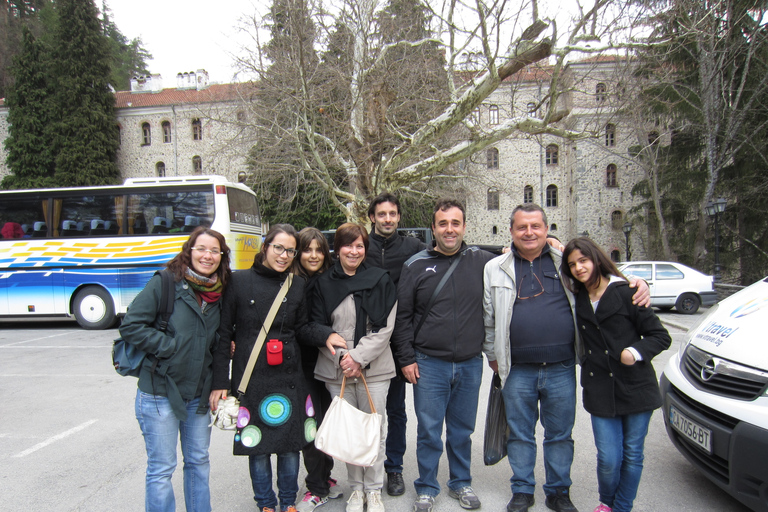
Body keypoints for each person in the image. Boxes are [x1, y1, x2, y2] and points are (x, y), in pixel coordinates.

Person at [482, 204, 650, 512]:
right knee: (519, 433)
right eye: (522, 227)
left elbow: (603, 279)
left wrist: (637, 282)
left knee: (559, 435)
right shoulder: (495, 267)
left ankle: (558, 491)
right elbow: (489, 317)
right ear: (511, 231)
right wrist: (493, 356)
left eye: (535, 226)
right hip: (517, 369)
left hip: (561, 367)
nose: (529, 232)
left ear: (547, 229)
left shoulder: (566, 263)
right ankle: (522, 489)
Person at [391, 199, 496, 512]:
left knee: (462, 430)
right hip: (428, 363)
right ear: (433, 228)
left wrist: (554, 242)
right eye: (443, 224)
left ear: (464, 226)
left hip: (469, 362)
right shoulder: (415, 265)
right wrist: (406, 358)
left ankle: (461, 483)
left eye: (455, 223)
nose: (450, 229)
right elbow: (403, 317)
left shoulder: (483, 261)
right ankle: (426, 487)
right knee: (429, 431)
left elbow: (521, 251)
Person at [120, 226, 231, 512]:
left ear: (222, 256)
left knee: (198, 462)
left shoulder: (220, 292)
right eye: (202, 249)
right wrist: (169, 346)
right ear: (189, 251)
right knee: (161, 468)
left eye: (215, 251)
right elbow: (131, 325)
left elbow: (218, 340)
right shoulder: (166, 283)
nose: (208, 256)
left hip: (198, 394)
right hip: (159, 392)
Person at [210, 224, 313, 512]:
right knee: (258, 446)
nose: (284, 255)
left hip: (289, 377)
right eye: (278, 247)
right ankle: (266, 504)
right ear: (265, 246)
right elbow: (223, 335)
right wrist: (220, 381)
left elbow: (302, 328)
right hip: (250, 377)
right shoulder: (238, 281)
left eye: (290, 250)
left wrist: (327, 335)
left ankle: (288, 503)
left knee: (291, 444)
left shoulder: (298, 285)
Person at [562, 238, 670, 512]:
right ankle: (606, 503)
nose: (578, 267)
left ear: (597, 259)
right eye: (573, 264)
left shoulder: (626, 292)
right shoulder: (578, 297)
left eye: (583, 260)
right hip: (599, 388)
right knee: (609, 458)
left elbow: (660, 336)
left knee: (632, 455)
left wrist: (635, 351)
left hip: (636, 386)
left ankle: (620, 508)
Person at [311, 223, 398, 512]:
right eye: (348, 245)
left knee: (374, 431)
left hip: (374, 368)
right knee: (349, 431)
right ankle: (356, 489)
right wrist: (343, 359)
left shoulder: (380, 279)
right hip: (337, 370)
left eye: (359, 245)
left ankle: (374, 490)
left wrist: (357, 357)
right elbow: (317, 327)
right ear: (337, 248)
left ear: (365, 249)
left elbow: (385, 329)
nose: (354, 250)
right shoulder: (322, 284)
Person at [365, 193, 426, 497]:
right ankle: (366, 464)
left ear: (399, 217)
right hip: (366, 341)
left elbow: (446, 255)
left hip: (399, 341)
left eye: (392, 214)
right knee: (368, 411)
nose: (387, 219)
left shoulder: (413, 248)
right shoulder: (361, 246)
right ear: (372, 217)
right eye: (381, 214)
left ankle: (394, 468)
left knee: (396, 410)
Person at [295, 227, 344, 512]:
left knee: (329, 424)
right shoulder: (293, 282)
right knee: (311, 426)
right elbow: (300, 327)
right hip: (303, 364)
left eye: (318, 249)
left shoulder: (331, 278)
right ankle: (316, 486)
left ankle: (325, 477)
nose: (313, 255)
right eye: (307, 249)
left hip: (329, 362)